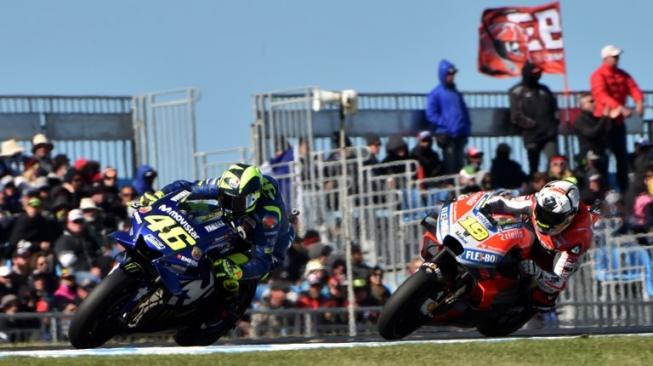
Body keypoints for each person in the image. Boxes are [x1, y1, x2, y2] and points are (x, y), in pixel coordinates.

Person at [142, 163, 294, 341]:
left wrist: (238, 271)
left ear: (252, 198)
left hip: (263, 246)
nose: (227, 204)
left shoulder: (269, 216)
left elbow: (263, 259)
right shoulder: (228, 186)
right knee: (196, 213)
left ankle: (218, 315)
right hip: (234, 225)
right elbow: (187, 187)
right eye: (224, 198)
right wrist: (158, 196)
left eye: (234, 202)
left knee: (225, 272)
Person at [481, 180, 593, 312]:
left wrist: (539, 273)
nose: (545, 221)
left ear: (569, 217)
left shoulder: (578, 238)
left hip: (551, 255)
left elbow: (558, 280)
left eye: (553, 218)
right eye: (542, 212)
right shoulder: (535, 201)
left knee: (545, 296)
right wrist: (484, 207)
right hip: (527, 237)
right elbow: (505, 203)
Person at [591, 45, 644, 192]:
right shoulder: (598, 75)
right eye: (614, 56)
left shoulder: (622, 74)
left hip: (619, 123)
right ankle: (605, 189)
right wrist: (619, 107)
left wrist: (639, 102)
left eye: (617, 56)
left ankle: (624, 189)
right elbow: (601, 95)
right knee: (604, 157)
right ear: (605, 58)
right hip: (604, 122)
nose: (617, 59)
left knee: (622, 157)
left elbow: (633, 88)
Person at [509, 62, 559, 175]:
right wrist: (532, 125)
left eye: (539, 73)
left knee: (554, 160)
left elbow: (555, 110)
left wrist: (553, 126)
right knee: (534, 166)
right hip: (531, 135)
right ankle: (535, 187)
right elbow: (516, 116)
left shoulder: (545, 89)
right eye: (535, 73)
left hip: (549, 134)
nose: (538, 75)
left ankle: (551, 186)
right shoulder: (517, 91)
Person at [425, 59, 471, 175]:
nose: (452, 77)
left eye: (453, 74)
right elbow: (431, 114)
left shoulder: (456, 93)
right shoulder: (436, 93)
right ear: (443, 74)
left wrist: (466, 128)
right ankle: (451, 188)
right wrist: (446, 124)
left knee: (460, 165)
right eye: (449, 74)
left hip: (460, 135)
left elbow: (464, 112)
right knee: (450, 166)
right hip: (446, 135)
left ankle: (461, 190)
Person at [573, 94, 611, 179]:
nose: (594, 103)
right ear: (582, 105)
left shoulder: (596, 118)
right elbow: (591, 133)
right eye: (591, 101)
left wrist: (607, 118)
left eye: (595, 101)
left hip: (601, 155)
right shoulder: (580, 120)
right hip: (588, 158)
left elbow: (607, 133)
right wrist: (604, 118)